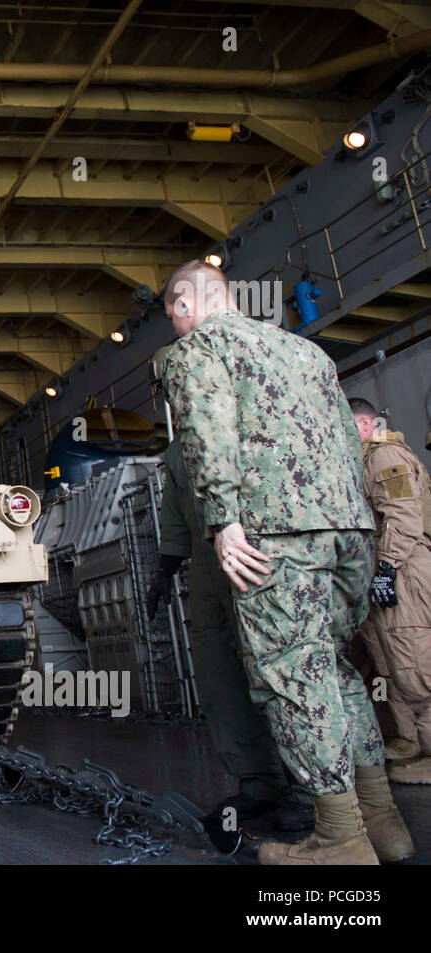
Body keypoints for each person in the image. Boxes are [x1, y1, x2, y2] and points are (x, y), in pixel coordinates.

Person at [159, 260, 413, 865]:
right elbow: (347, 443)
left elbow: (205, 432)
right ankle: (383, 821)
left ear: (185, 305)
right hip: (348, 529)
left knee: (295, 677)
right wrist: (354, 520)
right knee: (336, 670)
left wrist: (223, 522)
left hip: (279, 535)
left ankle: (342, 839)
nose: (172, 323)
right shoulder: (307, 353)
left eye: (171, 312)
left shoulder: (197, 349)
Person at [147, 428, 312, 831]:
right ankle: (259, 783)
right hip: (207, 571)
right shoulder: (177, 450)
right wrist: (166, 567)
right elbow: (175, 509)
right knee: (221, 678)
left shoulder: (250, 424)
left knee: (277, 673)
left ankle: (309, 789)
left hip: (258, 560)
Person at [349, 397, 431, 783]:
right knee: (389, 665)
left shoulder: (385, 458)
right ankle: (408, 739)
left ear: (366, 424)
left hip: (403, 570)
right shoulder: (365, 459)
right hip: (384, 571)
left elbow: (403, 515)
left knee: (415, 666)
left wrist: (386, 568)